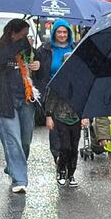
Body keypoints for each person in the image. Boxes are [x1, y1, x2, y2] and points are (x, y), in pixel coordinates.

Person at [0, 18, 40, 194]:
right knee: (13, 140)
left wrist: (38, 64)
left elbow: (40, 69)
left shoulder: (27, 50)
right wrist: (20, 45)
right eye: (23, 35)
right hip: (4, 101)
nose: (26, 38)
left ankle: (13, 166)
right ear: (12, 33)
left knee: (25, 141)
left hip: (26, 100)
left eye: (27, 35)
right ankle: (19, 179)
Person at [36, 19, 75, 164]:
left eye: (65, 32)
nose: (62, 35)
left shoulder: (76, 47)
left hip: (71, 92)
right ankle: (57, 156)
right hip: (52, 92)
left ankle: (69, 156)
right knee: (54, 125)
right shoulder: (45, 49)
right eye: (59, 32)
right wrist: (36, 66)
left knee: (70, 125)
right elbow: (38, 70)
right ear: (54, 33)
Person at [44, 90, 89, 187]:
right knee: (65, 147)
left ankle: (71, 173)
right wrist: (49, 116)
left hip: (76, 118)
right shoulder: (58, 83)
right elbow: (51, 98)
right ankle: (62, 170)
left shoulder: (82, 85)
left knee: (74, 148)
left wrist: (85, 115)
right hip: (60, 117)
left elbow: (86, 99)